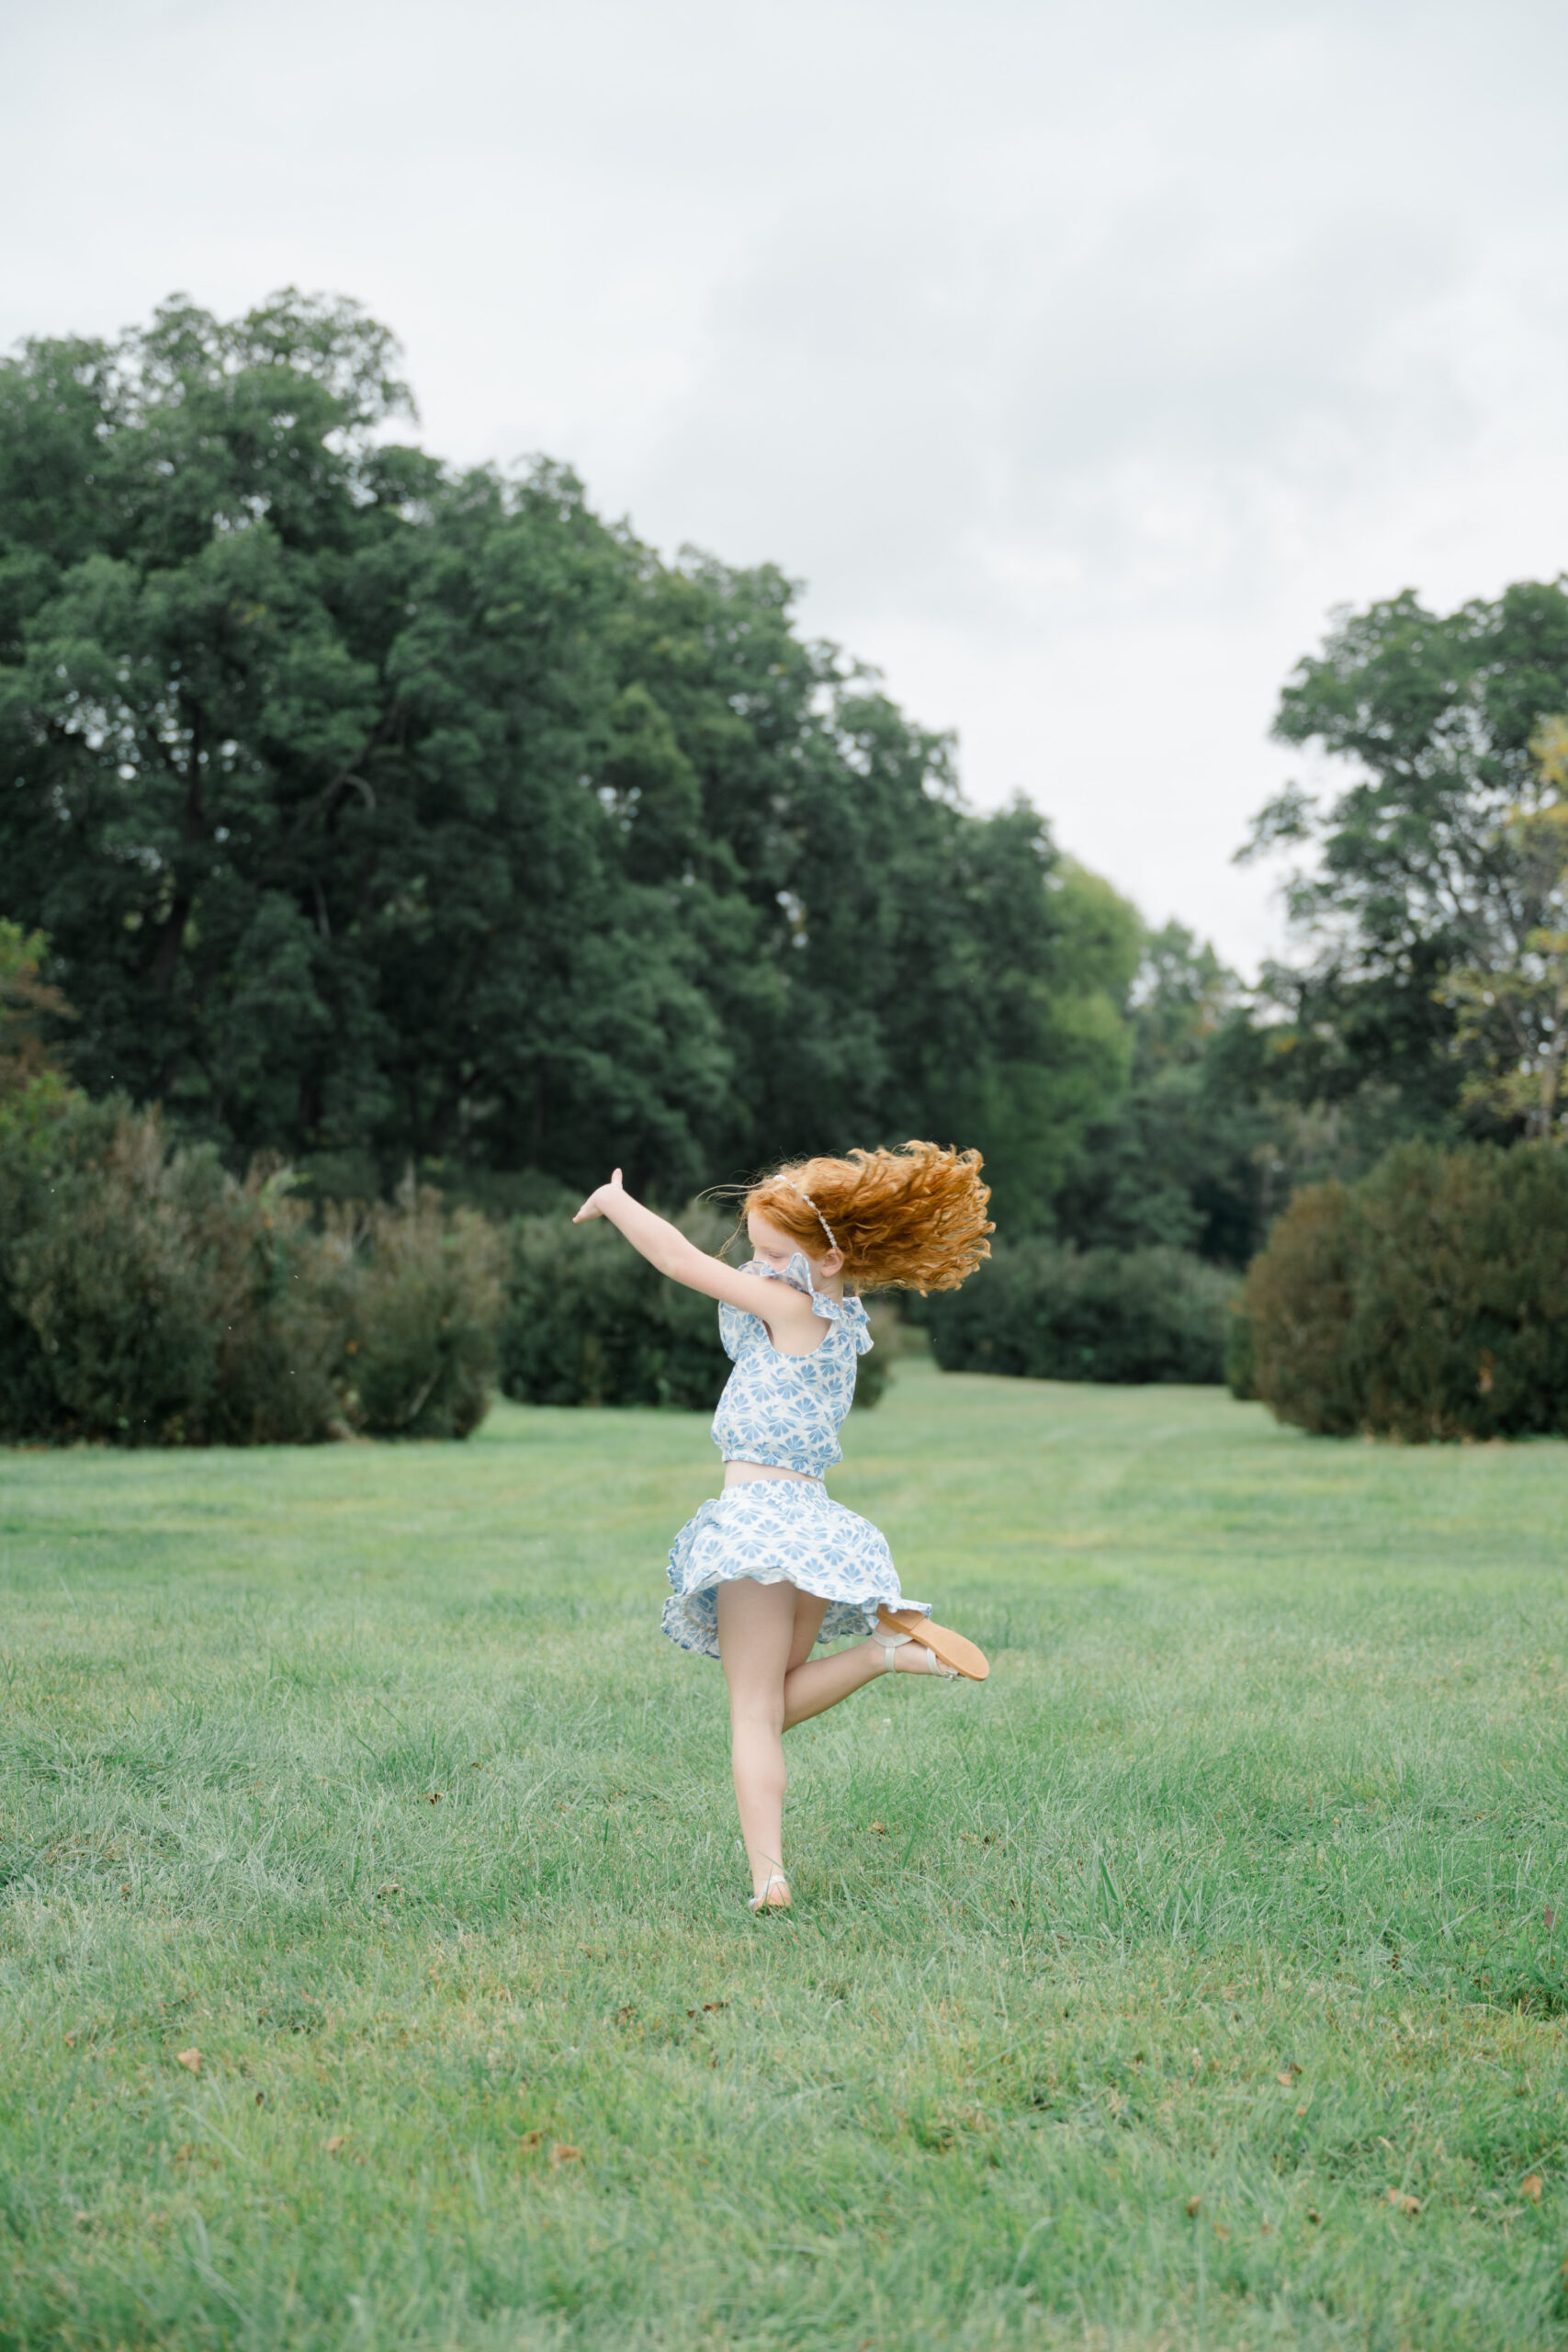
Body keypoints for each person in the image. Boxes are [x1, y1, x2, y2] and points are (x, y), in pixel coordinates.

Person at [571, 1140, 994, 1912]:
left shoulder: (789, 1306)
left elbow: (679, 1262)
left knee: (750, 1714)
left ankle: (769, 1873)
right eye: (755, 1254)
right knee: (770, 1705)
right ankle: (884, 1654)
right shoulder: (839, 1321)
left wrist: (616, 1202)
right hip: (809, 1526)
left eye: (772, 1254)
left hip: (761, 1524)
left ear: (827, 1259)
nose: (757, 1267)